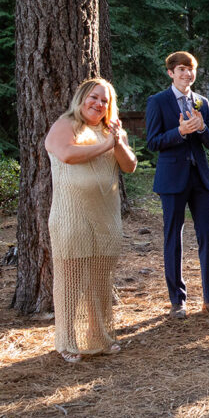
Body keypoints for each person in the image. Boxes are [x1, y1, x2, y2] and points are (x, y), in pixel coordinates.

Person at [45, 78, 138, 363]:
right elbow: (68, 154)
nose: (98, 104)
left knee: (100, 280)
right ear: (82, 98)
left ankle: (100, 337)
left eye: (105, 101)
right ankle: (67, 343)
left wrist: (118, 142)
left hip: (104, 216)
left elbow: (129, 166)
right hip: (70, 215)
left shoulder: (110, 130)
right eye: (94, 98)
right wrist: (106, 144)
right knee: (70, 281)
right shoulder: (65, 124)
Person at [145, 51, 209, 319]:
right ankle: (177, 301)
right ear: (171, 72)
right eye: (181, 69)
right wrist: (180, 132)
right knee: (173, 239)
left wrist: (202, 128)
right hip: (172, 180)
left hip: (201, 179)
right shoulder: (157, 102)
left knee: (207, 238)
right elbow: (153, 142)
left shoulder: (201, 102)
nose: (187, 74)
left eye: (190, 69)